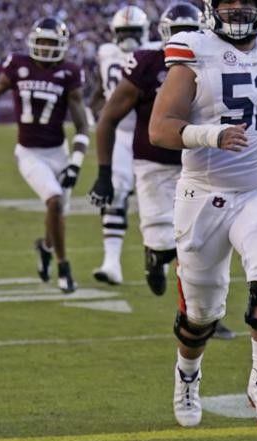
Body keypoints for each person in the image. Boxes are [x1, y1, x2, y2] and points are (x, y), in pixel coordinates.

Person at [150, 0, 257, 434]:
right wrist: (210, 134)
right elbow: (160, 127)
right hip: (203, 194)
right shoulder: (193, 50)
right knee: (201, 315)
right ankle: (187, 376)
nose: (237, 6)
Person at [90, 3, 237, 339]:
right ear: (163, 35)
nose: (185, 39)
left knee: (200, 246)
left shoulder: (215, 59)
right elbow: (109, 117)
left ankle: (202, 316)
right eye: (178, 32)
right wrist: (103, 172)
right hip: (154, 165)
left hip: (200, 164)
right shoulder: (147, 62)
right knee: (165, 245)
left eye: (191, 31)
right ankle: (155, 258)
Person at [0, 17, 90, 293]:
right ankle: (64, 268)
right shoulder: (18, 65)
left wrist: (75, 165)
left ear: (62, 46)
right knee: (55, 202)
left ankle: (46, 247)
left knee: (57, 211)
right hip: (29, 153)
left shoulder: (69, 73)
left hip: (59, 152)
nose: (45, 48)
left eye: (51, 42)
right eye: (42, 41)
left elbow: (83, 126)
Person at [87, 5, 152, 285]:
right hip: (120, 134)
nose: (128, 38)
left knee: (159, 200)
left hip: (150, 133)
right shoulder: (106, 53)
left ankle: (158, 259)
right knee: (114, 193)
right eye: (123, 32)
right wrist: (95, 113)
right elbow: (101, 89)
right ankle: (111, 262)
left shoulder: (155, 52)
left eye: (133, 32)